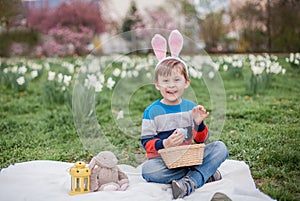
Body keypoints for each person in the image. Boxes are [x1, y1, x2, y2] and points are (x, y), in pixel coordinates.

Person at [141, 30, 228, 199]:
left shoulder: (191, 108)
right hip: (165, 161)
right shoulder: (152, 112)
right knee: (148, 171)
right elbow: (146, 142)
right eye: (165, 81)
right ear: (157, 85)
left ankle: (190, 182)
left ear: (186, 83)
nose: (171, 86)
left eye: (176, 80)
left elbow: (201, 140)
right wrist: (165, 143)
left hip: (189, 157)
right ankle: (202, 174)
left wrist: (198, 123)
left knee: (220, 148)